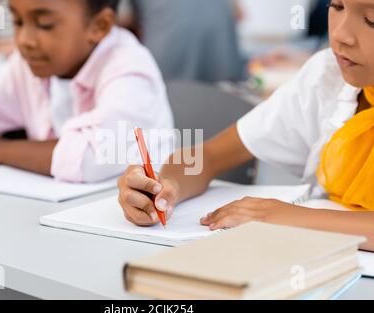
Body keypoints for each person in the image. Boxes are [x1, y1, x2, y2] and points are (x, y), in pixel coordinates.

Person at [117, 0, 374, 251]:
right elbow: (209, 156)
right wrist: (166, 186)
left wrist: (289, 217)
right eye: (337, 7)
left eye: (371, 19)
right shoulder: (326, 78)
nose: (341, 35)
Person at [0, 0, 173, 183]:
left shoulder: (129, 67)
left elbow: (92, 156)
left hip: (141, 227)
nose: (24, 40)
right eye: (18, 22)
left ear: (100, 25)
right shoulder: (30, 67)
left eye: (44, 25)